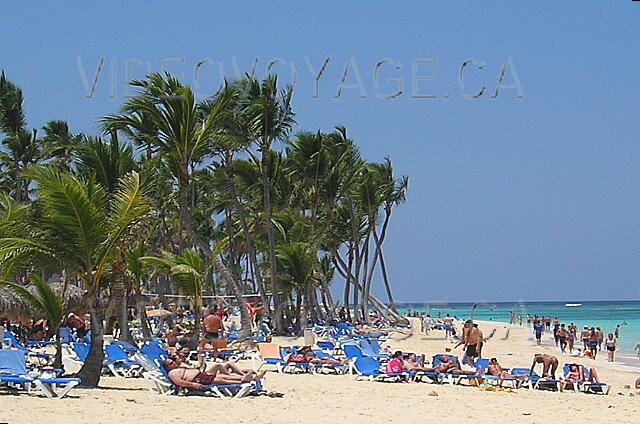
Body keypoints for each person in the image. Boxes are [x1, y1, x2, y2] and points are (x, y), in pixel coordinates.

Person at [163, 355, 265, 389]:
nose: (173, 362)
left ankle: (249, 378)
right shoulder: (172, 373)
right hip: (198, 379)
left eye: (173, 361)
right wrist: (193, 384)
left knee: (222, 376)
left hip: (201, 375)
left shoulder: (179, 367)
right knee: (221, 379)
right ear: (168, 367)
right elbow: (179, 382)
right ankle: (242, 381)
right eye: (171, 362)